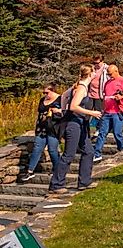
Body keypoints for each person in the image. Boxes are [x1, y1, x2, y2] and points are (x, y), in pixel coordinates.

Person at [49, 65, 102, 194]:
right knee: (69, 154)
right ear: (90, 74)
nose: (95, 73)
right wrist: (91, 112)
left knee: (89, 151)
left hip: (81, 123)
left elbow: (64, 99)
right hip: (73, 124)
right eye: (93, 71)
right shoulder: (81, 88)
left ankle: (84, 181)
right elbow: (73, 106)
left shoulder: (80, 86)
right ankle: (56, 184)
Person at [93, 65, 123, 162]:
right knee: (102, 133)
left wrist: (121, 97)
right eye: (108, 74)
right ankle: (97, 153)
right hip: (107, 111)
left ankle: (122, 149)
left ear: (116, 71)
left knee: (117, 133)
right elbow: (105, 96)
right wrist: (103, 108)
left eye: (110, 74)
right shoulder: (107, 83)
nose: (109, 76)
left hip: (118, 111)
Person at [22, 84, 62, 181]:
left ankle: (58, 169)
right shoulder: (42, 100)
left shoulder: (60, 99)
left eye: (47, 92)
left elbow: (66, 111)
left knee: (52, 150)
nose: (45, 94)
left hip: (53, 128)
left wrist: (57, 111)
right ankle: (30, 171)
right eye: (44, 92)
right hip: (42, 128)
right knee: (37, 148)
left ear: (53, 91)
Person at [87, 55, 109, 136]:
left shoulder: (106, 69)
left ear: (102, 61)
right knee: (87, 112)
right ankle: (87, 129)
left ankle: (99, 129)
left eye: (97, 63)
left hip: (100, 95)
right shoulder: (92, 69)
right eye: (94, 63)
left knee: (99, 113)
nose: (96, 64)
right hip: (90, 94)